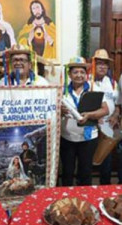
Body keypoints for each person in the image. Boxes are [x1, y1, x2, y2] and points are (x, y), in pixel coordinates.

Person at [60, 57, 109, 186]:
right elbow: (51, 111)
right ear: (69, 74)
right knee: (67, 172)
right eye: (75, 72)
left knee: (86, 171)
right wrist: (59, 111)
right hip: (67, 138)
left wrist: (90, 115)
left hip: (88, 138)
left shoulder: (94, 89)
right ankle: (66, 200)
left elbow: (105, 110)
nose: (79, 75)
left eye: (82, 72)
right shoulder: (61, 91)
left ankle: (85, 200)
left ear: (86, 74)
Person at [91, 49, 120, 185]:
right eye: (99, 63)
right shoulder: (88, 82)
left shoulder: (113, 83)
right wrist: (94, 117)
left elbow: (118, 104)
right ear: (93, 65)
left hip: (108, 128)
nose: (102, 67)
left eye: (105, 64)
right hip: (91, 128)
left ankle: (105, 188)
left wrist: (115, 114)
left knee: (106, 162)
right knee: (87, 162)